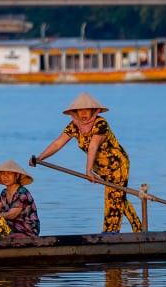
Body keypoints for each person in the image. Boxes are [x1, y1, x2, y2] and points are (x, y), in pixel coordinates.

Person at [33, 92, 144, 233]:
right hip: (102, 169)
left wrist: (88, 171)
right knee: (119, 197)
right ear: (75, 112)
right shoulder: (74, 126)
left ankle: (110, 232)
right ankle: (139, 231)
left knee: (112, 199)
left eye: (87, 110)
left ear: (93, 111)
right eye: (80, 110)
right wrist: (40, 158)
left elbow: (93, 146)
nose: (84, 113)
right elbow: (58, 143)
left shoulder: (100, 123)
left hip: (117, 165)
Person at [0, 159, 40, 237]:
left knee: (1, 226)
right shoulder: (4, 193)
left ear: (17, 176)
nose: (5, 177)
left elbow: (11, 215)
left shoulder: (22, 193)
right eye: (3, 174)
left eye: (9, 174)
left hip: (27, 230)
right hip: (10, 226)